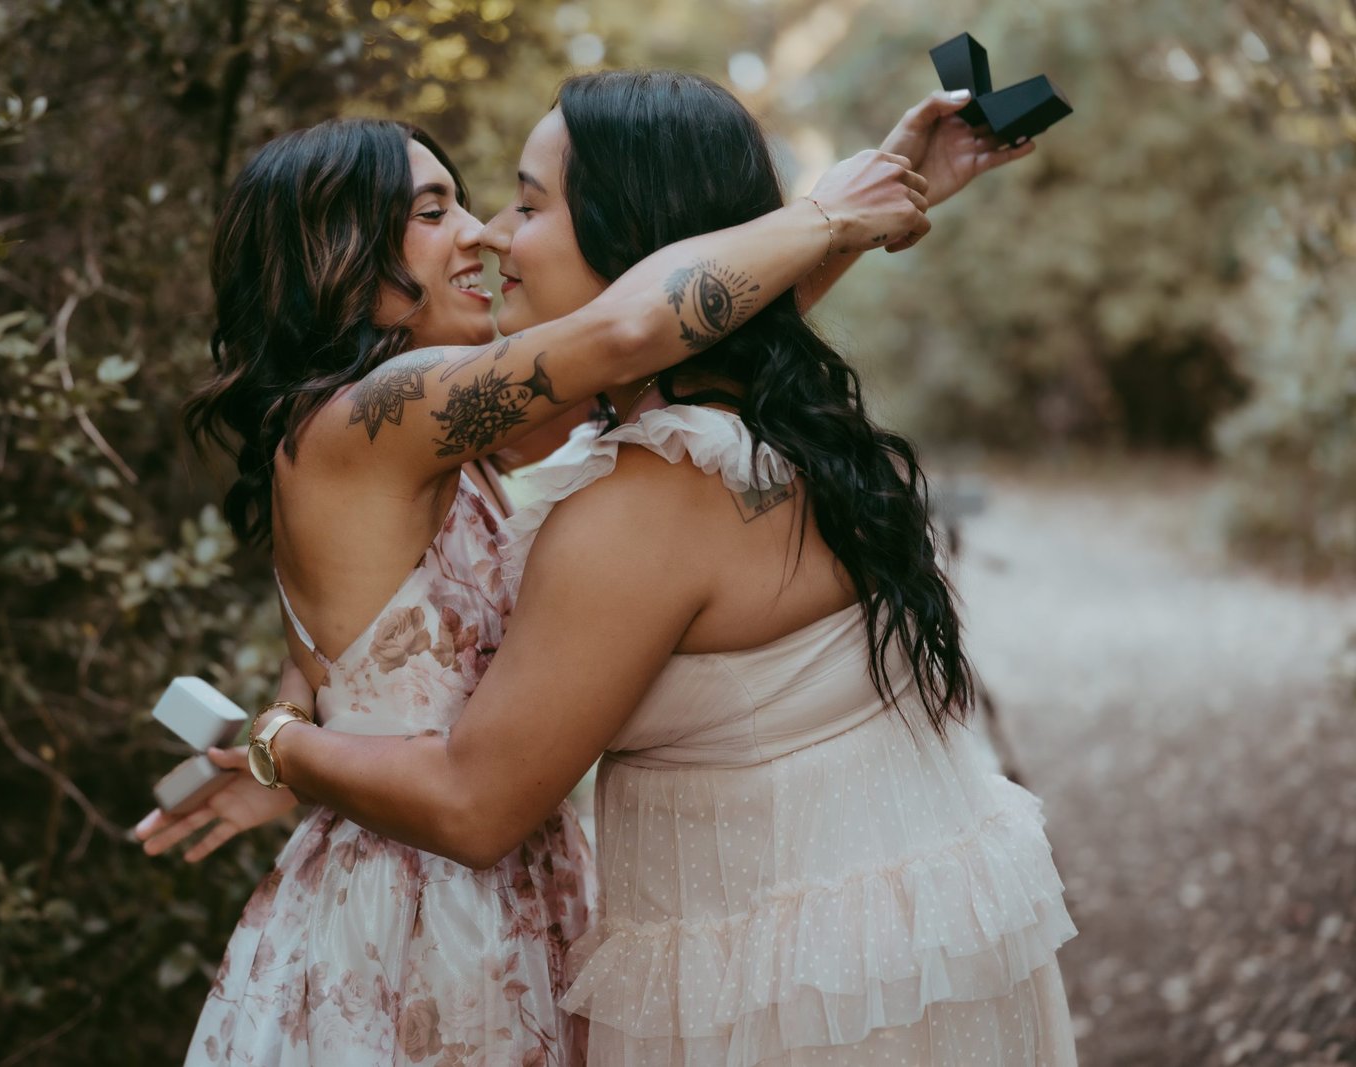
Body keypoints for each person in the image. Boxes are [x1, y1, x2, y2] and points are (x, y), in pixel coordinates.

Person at [223, 70, 1076, 1065]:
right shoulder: (383, 412)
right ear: (330, 251)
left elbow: (679, 343)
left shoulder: (454, 434)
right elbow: (630, 333)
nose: (484, 233)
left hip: (513, 888)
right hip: (419, 911)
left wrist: (873, 199)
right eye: (433, 209)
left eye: (510, 203)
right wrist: (829, 212)